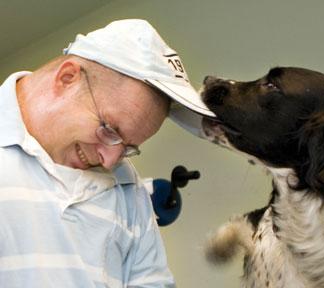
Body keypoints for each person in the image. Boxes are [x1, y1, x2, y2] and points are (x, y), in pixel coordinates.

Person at [0, 19, 215, 287]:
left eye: (127, 147)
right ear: (67, 79)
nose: (112, 160)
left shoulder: (127, 185)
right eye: (110, 130)